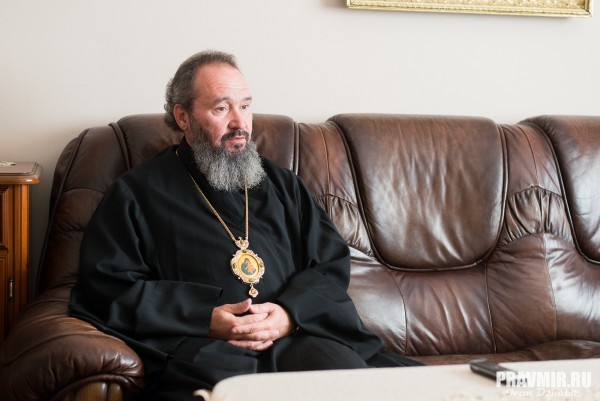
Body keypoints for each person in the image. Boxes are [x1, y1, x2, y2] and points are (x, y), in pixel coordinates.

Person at [69, 50, 420, 401]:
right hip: (206, 347)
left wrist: (289, 314)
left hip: (297, 338)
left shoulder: (283, 186)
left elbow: (328, 264)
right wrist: (204, 317)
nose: (240, 123)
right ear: (183, 116)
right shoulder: (136, 194)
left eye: (246, 106)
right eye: (222, 108)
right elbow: (108, 286)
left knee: (345, 379)